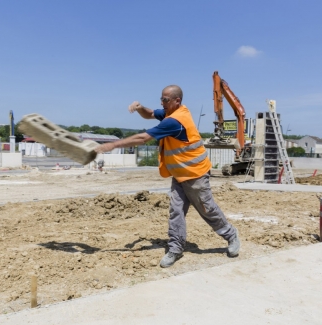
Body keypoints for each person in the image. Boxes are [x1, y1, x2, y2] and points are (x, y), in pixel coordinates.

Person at [95, 85, 240, 268]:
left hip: (195, 175)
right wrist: (140, 107)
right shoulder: (169, 112)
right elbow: (149, 114)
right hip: (179, 175)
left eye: (165, 100)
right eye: (161, 99)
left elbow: (142, 139)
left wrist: (111, 146)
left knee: (207, 209)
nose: (162, 103)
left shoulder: (176, 121)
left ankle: (231, 235)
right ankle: (176, 247)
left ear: (176, 101)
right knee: (176, 211)